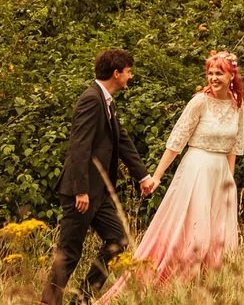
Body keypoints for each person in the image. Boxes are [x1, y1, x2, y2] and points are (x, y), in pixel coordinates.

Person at [95, 51, 244, 300]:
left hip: (220, 176)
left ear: (232, 75)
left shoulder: (236, 104)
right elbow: (176, 141)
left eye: (219, 73)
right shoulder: (199, 102)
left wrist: (230, 179)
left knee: (218, 238)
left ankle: (206, 292)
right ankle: (175, 288)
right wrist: (156, 176)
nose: (213, 78)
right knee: (197, 235)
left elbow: (234, 147)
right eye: (210, 73)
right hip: (197, 171)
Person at [41, 49, 157, 304]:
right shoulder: (91, 99)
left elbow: (122, 141)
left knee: (118, 239)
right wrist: (80, 190)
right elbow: (79, 146)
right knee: (69, 253)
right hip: (81, 193)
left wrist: (143, 176)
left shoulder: (106, 101)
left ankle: (82, 298)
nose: (130, 76)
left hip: (99, 193)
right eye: (128, 72)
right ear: (116, 73)